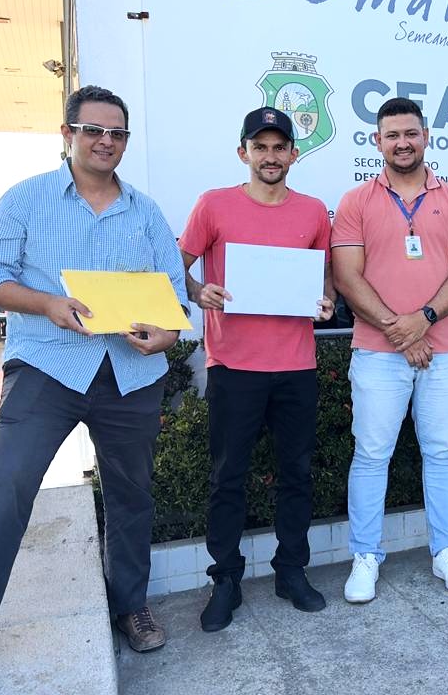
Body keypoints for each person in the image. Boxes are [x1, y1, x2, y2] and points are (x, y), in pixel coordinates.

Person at [0, 86, 186, 695]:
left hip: (130, 373)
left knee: (131, 496)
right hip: (47, 366)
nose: (106, 142)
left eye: (117, 133)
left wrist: (167, 335)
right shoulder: (27, 198)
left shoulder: (145, 212)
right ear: (67, 134)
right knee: (4, 488)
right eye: (93, 130)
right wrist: (46, 303)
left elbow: (172, 292)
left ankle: (130, 606)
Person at [179, 106, 335, 631]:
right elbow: (177, 267)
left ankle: (291, 571)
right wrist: (199, 291)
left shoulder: (313, 212)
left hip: (296, 366)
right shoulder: (213, 205)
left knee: (297, 474)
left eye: (279, 147)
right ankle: (225, 579)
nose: (270, 156)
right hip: (233, 365)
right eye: (260, 147)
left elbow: (325, 278)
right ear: (243, 152)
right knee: (228, 477)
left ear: (294, 153)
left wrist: (327, 302)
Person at [331, 97, 448, 602]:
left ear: (426, 137)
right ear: (377, 141)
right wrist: (402, 331)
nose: (402, 143)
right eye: (392, 135)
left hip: (445, 351)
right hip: (378, 352)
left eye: (410, 133)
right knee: (371, 455)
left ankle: (446, 551)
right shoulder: (356, 201)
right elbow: (347, 276)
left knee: (441, 453)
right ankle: (365, 557)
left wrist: (424, 321)